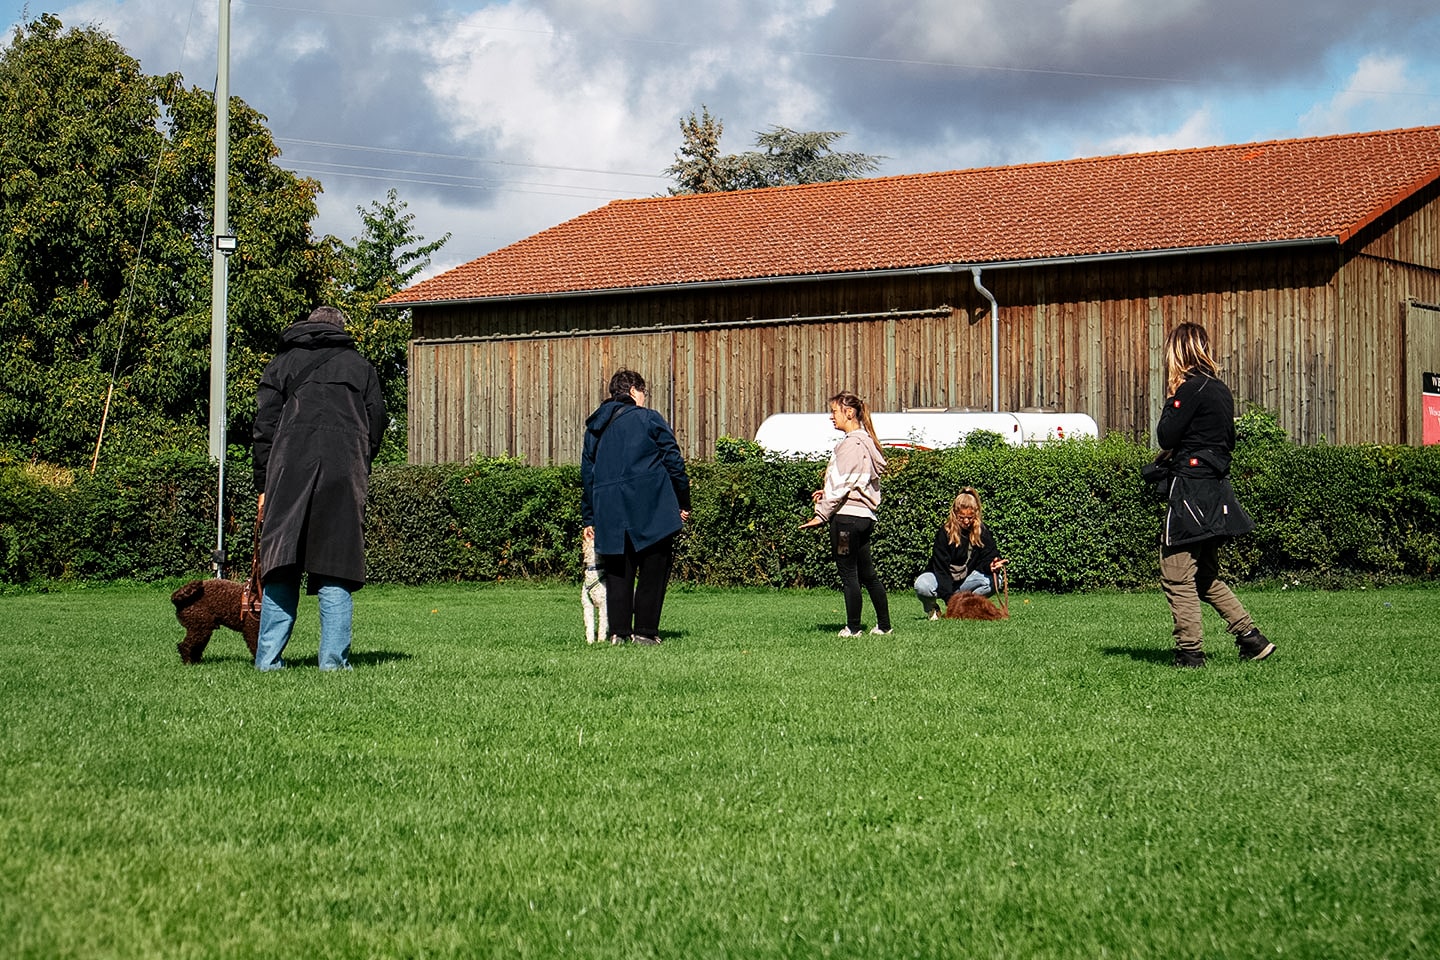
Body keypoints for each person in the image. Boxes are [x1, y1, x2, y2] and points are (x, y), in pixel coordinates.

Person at [252, 306, 385, 671]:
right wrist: (358, 458)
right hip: (344, 474)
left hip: (287, 472)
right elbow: (377, 422)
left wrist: (263, 485)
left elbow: (264, 428)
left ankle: (267, 662)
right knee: (335, 567)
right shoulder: (361, 367)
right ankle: (333, 664)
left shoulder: (281, 363)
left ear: (306, 327)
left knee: (280, 565)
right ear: (342, 330)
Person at [1155, 322, 1274, 668]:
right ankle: (1252, 638)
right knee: (1205, 575)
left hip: (1190, 491)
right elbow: (1225, 441)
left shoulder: (1190, 390)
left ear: (1178, 351)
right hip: (1215, 491)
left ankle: (1189, 653)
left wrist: (1171, 400)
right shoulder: (1220, 390)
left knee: (1176, 572)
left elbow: (1166, 435)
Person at [582, 369, 691, 645]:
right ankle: (644, 631)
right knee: (654, 566)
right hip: (650, 503)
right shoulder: (649, 418)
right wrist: (682, 501)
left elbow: (588, 474)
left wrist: (589, 517)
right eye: (643, 393)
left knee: (619, 568)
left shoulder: (595, 428)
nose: (644, 398)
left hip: (608, 508)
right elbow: (673, 461)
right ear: (633, 391)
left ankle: (619, 632)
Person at [800, 391, 893, 637]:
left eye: (834, 412)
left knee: (848, 574)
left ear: (848, 412)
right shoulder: (867, 442)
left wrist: (820, 515)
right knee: (868, 574)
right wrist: (827, 490)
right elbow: (854, 482)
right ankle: (884, 626)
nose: (832, 417)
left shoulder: (850, 444)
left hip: (846, 521)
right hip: (863, 518)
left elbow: (840, 485)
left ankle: (853, 628)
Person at [913, 487, 1007, 620]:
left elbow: (988, 557)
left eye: (970, 517)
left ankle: (969, 608)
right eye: (962, 518)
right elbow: (941, 570)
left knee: (996, 579)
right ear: (955, 514)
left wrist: (991, 565)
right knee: (921, 585)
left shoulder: (982, 531)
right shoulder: (944, 533)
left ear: (976, 513)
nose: (966, 521)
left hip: (965, 581)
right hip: (942, 580)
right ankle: (933, 608)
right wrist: (951, 601)